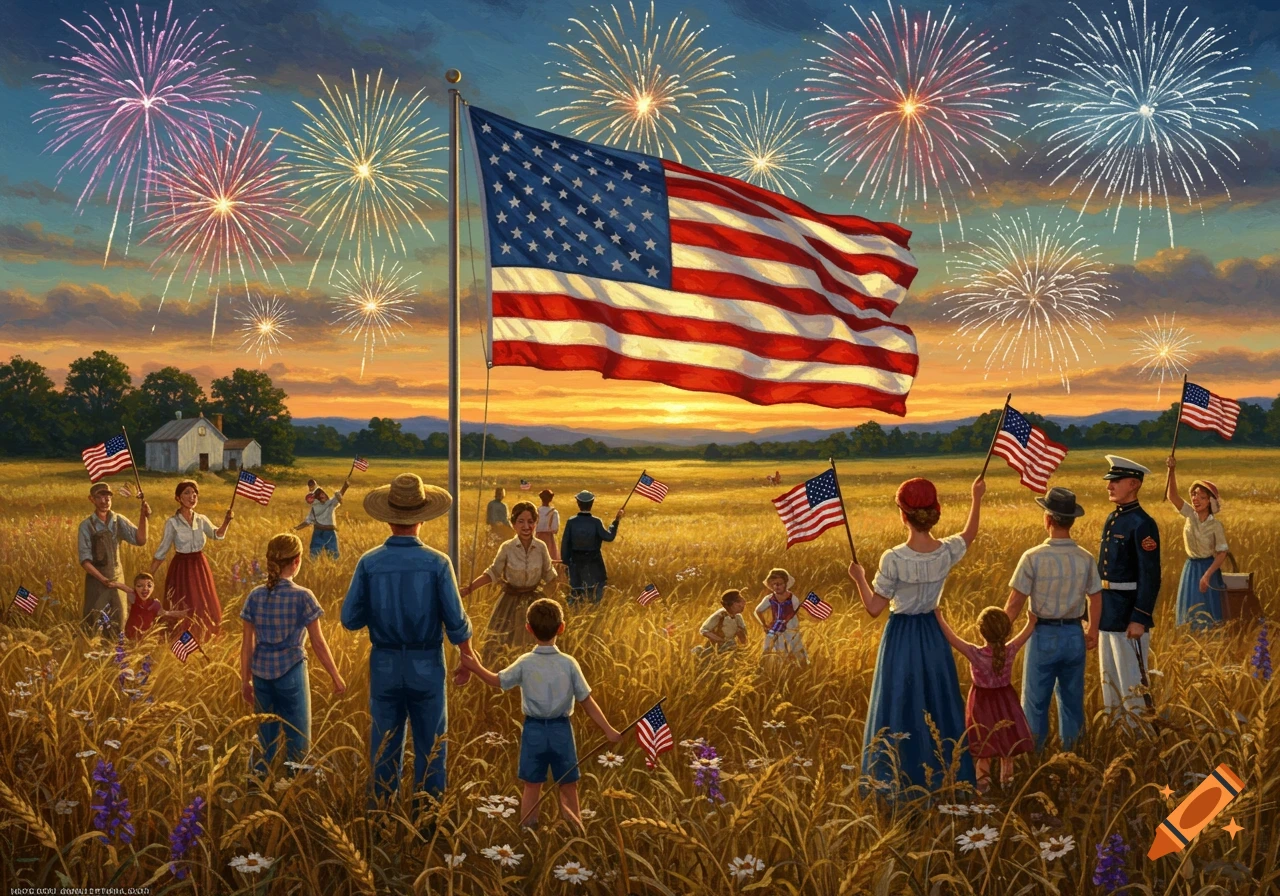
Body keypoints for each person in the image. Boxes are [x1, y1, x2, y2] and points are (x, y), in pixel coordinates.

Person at [341, 473, 477, 811]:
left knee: (384, 745)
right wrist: (467, 657)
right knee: (431, 747)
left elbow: (349, 620)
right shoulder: (438, 563)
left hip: (385, 662)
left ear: (388, 517)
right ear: (422, 517)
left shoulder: (369, 563)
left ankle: (382, 817)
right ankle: (428, 820)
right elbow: (457, 622)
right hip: (427, 662)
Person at [847, 477, 986, 792]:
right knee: (938, 701)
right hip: (932, 634)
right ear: (935, 512)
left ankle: (898, 781)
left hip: (901, 637)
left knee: (899, 702)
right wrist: (976, 497)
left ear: (903, 515)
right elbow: (970, 534)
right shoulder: (945, 551)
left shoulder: (894, 558)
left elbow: (873, 607)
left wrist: (859, 578)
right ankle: (946, 778)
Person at [458, 598, 623, 831]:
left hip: (533, 730)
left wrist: (476, 667)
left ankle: (528, 830)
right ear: (562, 627)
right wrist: (609, 730)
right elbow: (587, 701)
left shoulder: (526, 662)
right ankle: (575, 829)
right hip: (561, 730)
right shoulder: (569, 663)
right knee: (568, 784)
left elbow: (497, 681)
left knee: (532, 784)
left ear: (528, 629)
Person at [1003, 487, 1103, 752]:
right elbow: (1095, 597)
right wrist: (1092, 629)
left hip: (1042, 635)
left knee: (1035, 703)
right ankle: (1074, 758)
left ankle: (1034, 758)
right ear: (1071, 520)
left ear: (1047, 519)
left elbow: (1014, 604)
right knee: (1072, 701)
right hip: (1074, 635)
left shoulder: (1033, 557)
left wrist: (998, 636)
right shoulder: (1085, 558)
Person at [240, 533, 347, 776]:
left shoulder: (255, 595)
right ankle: (294, 790)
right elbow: (318, 643)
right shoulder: (303, 596)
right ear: (297, 561)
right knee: (298, 738)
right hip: (292, 672)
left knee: (264, 739)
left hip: (260, 674)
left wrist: (244, 679)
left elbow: (247, 645)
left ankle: (255, 789)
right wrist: (336, 676)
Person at [936, 606, 1036, 793]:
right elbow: (1027, 632)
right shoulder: (1010, 650)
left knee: (984, 748)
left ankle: (983, 788)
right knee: (1007, 747)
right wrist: (1031, 620)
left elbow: (952, 639)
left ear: (981, 630)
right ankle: (1008, 787)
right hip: (1006, 702)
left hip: (982, 705)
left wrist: (939, 617)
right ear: (1007, 630)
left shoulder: (976, 653)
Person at [1096, 455, 1161, 724]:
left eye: (1116, 481)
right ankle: (1116, 736)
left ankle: (1136, 736)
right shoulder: (1113, 518)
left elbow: (1150, 574)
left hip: (1129, 614)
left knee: (1131, 682)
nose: (1109, 486)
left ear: (1133, 484)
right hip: (1108, 610)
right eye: (1110, 481)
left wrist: (1140, 617)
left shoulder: (1143, 523)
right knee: (1108, 679)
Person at [459, 501, 558, 664]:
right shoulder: (507, 547)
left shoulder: (541, 547)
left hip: (534, 602)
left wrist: (545, 604)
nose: (526, 526)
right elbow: (492, 573)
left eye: (531, 522)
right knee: (500, 645)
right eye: (521, 521)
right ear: (513, 524)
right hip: (509, 602)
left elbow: (550, 577)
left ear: (536, 523)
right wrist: (469, 589)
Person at [151, 480, 232, 641]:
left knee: (203, 602)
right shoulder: (172, 522)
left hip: (199, 566)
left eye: (195, 494)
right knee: (184, 603)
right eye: (187, 493)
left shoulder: (201, 519)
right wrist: (148, 574)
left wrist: (226, 521)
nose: (192, 497)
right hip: (181, 568)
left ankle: (205, 637)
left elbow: (216, 535)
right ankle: (181, 639)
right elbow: (162, 550)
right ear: (178, 498)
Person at [78, 482, 150, 639]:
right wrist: (103, 579)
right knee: (95, 622)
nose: (105, 500)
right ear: (92, 499)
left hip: (117, 580)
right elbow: (85, 561)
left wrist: (143, 516)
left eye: (108, 496)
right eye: (100, 497)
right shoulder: (86, 526)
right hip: (96, 582)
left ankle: (117, 658)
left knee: (119, 620)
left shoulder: (118, 521)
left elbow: (140, 539)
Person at [1165, 457, 1229, 630]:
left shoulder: (1215, 525)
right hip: (1190, 569)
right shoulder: (1189, 515)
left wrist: (1207, 575)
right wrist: (1171, 470)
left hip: (1208, 568)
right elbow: (1172, 496)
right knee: (1188, 614)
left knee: (1207, 614)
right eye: (1194, 495)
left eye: (1202, 496)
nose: (1196, 499)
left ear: (1211, 502)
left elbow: (1222, 552)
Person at [559, 490, 624, 606]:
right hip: (594, 563)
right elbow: (609, 537)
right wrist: (616, 520)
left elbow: (565, 544)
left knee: (576, 592)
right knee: (595, 594)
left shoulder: (571, 522)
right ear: (592, 503)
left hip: (576, 562)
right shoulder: (596, 522)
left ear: (578, 503)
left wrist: (565, 562)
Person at [754, 569, 808, 665]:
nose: (777, 586)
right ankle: (768, 665)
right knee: (769, 643)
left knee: (796, 646)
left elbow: (798, 612)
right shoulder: (769, 598)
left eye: (780, 583)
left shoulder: (792, 598)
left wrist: (789, 621)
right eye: (774, 584)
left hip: (791, 626)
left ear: (786, 583)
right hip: (775, 626)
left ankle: (802, 665)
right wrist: (764, 624)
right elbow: (758, 611)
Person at [295, 479, 351, 559]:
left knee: (317, 553)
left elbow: (308, 521)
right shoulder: (330, 504)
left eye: (322, 494)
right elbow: (339, 496)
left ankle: (320, 567)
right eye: (320, 496)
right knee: (329, 553)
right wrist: (345, 486)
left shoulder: (319, 507)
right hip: (325, 532)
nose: (322, 496)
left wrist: (297, 528)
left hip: (322, 531)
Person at [695, 589, 749, 655]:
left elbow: (743, 634)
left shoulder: (738, 617)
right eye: (738, 603)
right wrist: (720, 640)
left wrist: (745, 647)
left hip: (731, 646)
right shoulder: (720, 615)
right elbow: (703, 630)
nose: (742, 606)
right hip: (716, 647)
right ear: (729, 604)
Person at [535, 489, 562, 564]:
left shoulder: (536, 511)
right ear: (551, 499)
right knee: (550, 559)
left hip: (538, 536)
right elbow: (555, 529)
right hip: (549, 538)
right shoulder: (554, 512)